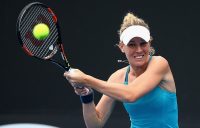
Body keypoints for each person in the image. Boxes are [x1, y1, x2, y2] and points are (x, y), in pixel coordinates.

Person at [64, 12, 179, 128]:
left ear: (149, 44)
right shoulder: (117, 77)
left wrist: (85, 79)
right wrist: (86, 95)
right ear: (122, 47)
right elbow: (94, 125)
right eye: (132, 45)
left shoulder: (159, 63)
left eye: (143, 43)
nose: (139, 50)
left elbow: (131, 94)